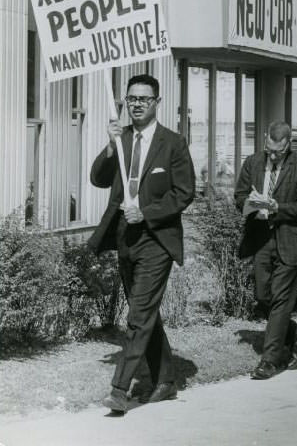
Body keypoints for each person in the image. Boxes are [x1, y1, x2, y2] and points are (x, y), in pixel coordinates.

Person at [88, 74, 195, 413]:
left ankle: (119, 390)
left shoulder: (173, 143)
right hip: (124, 237)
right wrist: (109, 146)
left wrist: (146, 213)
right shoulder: (122, 140)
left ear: (157, 103)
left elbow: (184, 193)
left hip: (156, 240)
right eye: (131, 99)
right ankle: (165, 378)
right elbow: (98, 179)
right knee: (145, 313)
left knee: (138, 314)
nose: (136, 105)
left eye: (143, 99)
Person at [234, 121, 297, 381]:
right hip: (261, 239)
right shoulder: (253, 162)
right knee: (263, 295)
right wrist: (250, 204)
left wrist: (278, 206)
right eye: (269, 149)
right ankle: (295, 335)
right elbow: (239, 195)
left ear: (288, 144)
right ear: (265, 140)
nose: (272, 155)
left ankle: (269, 360)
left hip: (290, 239)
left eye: (278, 151)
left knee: (281, 301)